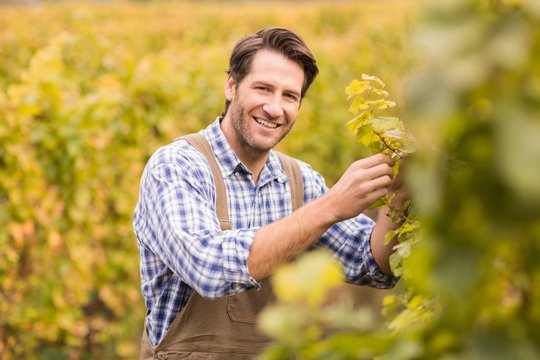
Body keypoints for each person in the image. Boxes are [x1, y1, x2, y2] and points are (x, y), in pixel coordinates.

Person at [133, 27, 406, 359]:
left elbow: (373, 263)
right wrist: (331, 206)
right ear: (232, 86)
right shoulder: (178, 165)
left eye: (289, 96)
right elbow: (209, 268)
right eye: (263, 88)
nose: (275, 108)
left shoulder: (299, 179)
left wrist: (399, 196)